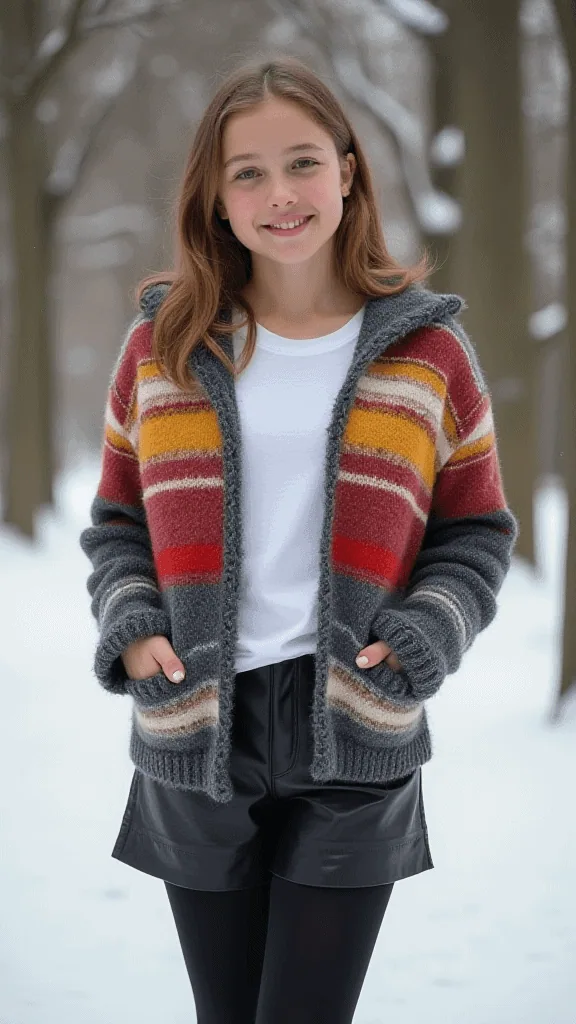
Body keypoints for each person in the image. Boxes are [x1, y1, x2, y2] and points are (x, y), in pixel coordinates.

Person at [79, 55, 518, 1024]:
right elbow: (118, 521)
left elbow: (477, 529)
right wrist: (136, 624)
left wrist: (421, 639)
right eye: (248, 172)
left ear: (350, 171)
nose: (280, 194)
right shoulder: (165, 346)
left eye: (303, 162)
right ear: (217, 198)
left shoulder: (429, 351)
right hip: (193, 723)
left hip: (356, 726)